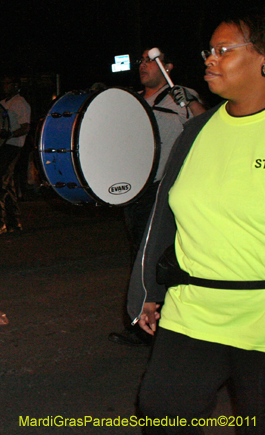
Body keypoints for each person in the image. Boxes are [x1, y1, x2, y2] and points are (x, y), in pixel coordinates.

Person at [127, 10, 265, 432]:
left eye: (224, 50)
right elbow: (163, 217)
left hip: (260, 316)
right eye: (209, 50)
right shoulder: (197, 131)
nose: (209, 59)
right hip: (194, 311)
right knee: (162, 411)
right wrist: (146, 291)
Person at [109, 47, 207, 347]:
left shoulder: (182, 95)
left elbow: (205, 127)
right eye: (141, 61)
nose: (143, 65)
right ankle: (148, 320)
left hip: (164, 186)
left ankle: (163, 325)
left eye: (151, 60)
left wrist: (190, 104)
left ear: (168, 66)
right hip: (137, 187)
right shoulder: (134, 101)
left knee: (160, 256)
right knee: (140, 255)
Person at [0, 77, 30, 235]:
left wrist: (10, 134)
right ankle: (14, 221)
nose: (5, 86)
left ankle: (0, 222)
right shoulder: (2, 103)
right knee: (7, 183)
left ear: (16, 85)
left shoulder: (20, 103)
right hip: (1, 146)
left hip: (13, 146)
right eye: (3, 83)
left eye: (8, 83)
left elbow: (25, 127)